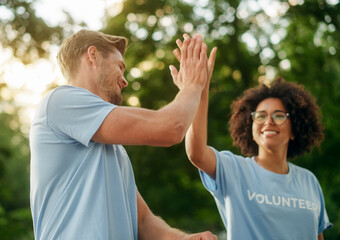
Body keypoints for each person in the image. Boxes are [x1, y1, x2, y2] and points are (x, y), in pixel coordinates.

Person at [29, 29, 218, 240]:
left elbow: (144, 221)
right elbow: (171, 127)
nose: (125, 80)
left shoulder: (114, 150)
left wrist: (184, 238)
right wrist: (194, 85)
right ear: (92, 55)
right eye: (120, 66)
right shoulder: (61, 101)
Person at [180, 44, 333, 240]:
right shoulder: (234, 169)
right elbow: (196, 152)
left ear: (295, 129)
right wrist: (199, 88)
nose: (268, 121)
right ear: (250, 129)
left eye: (278, 116)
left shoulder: (309, 181)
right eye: (260, 116)